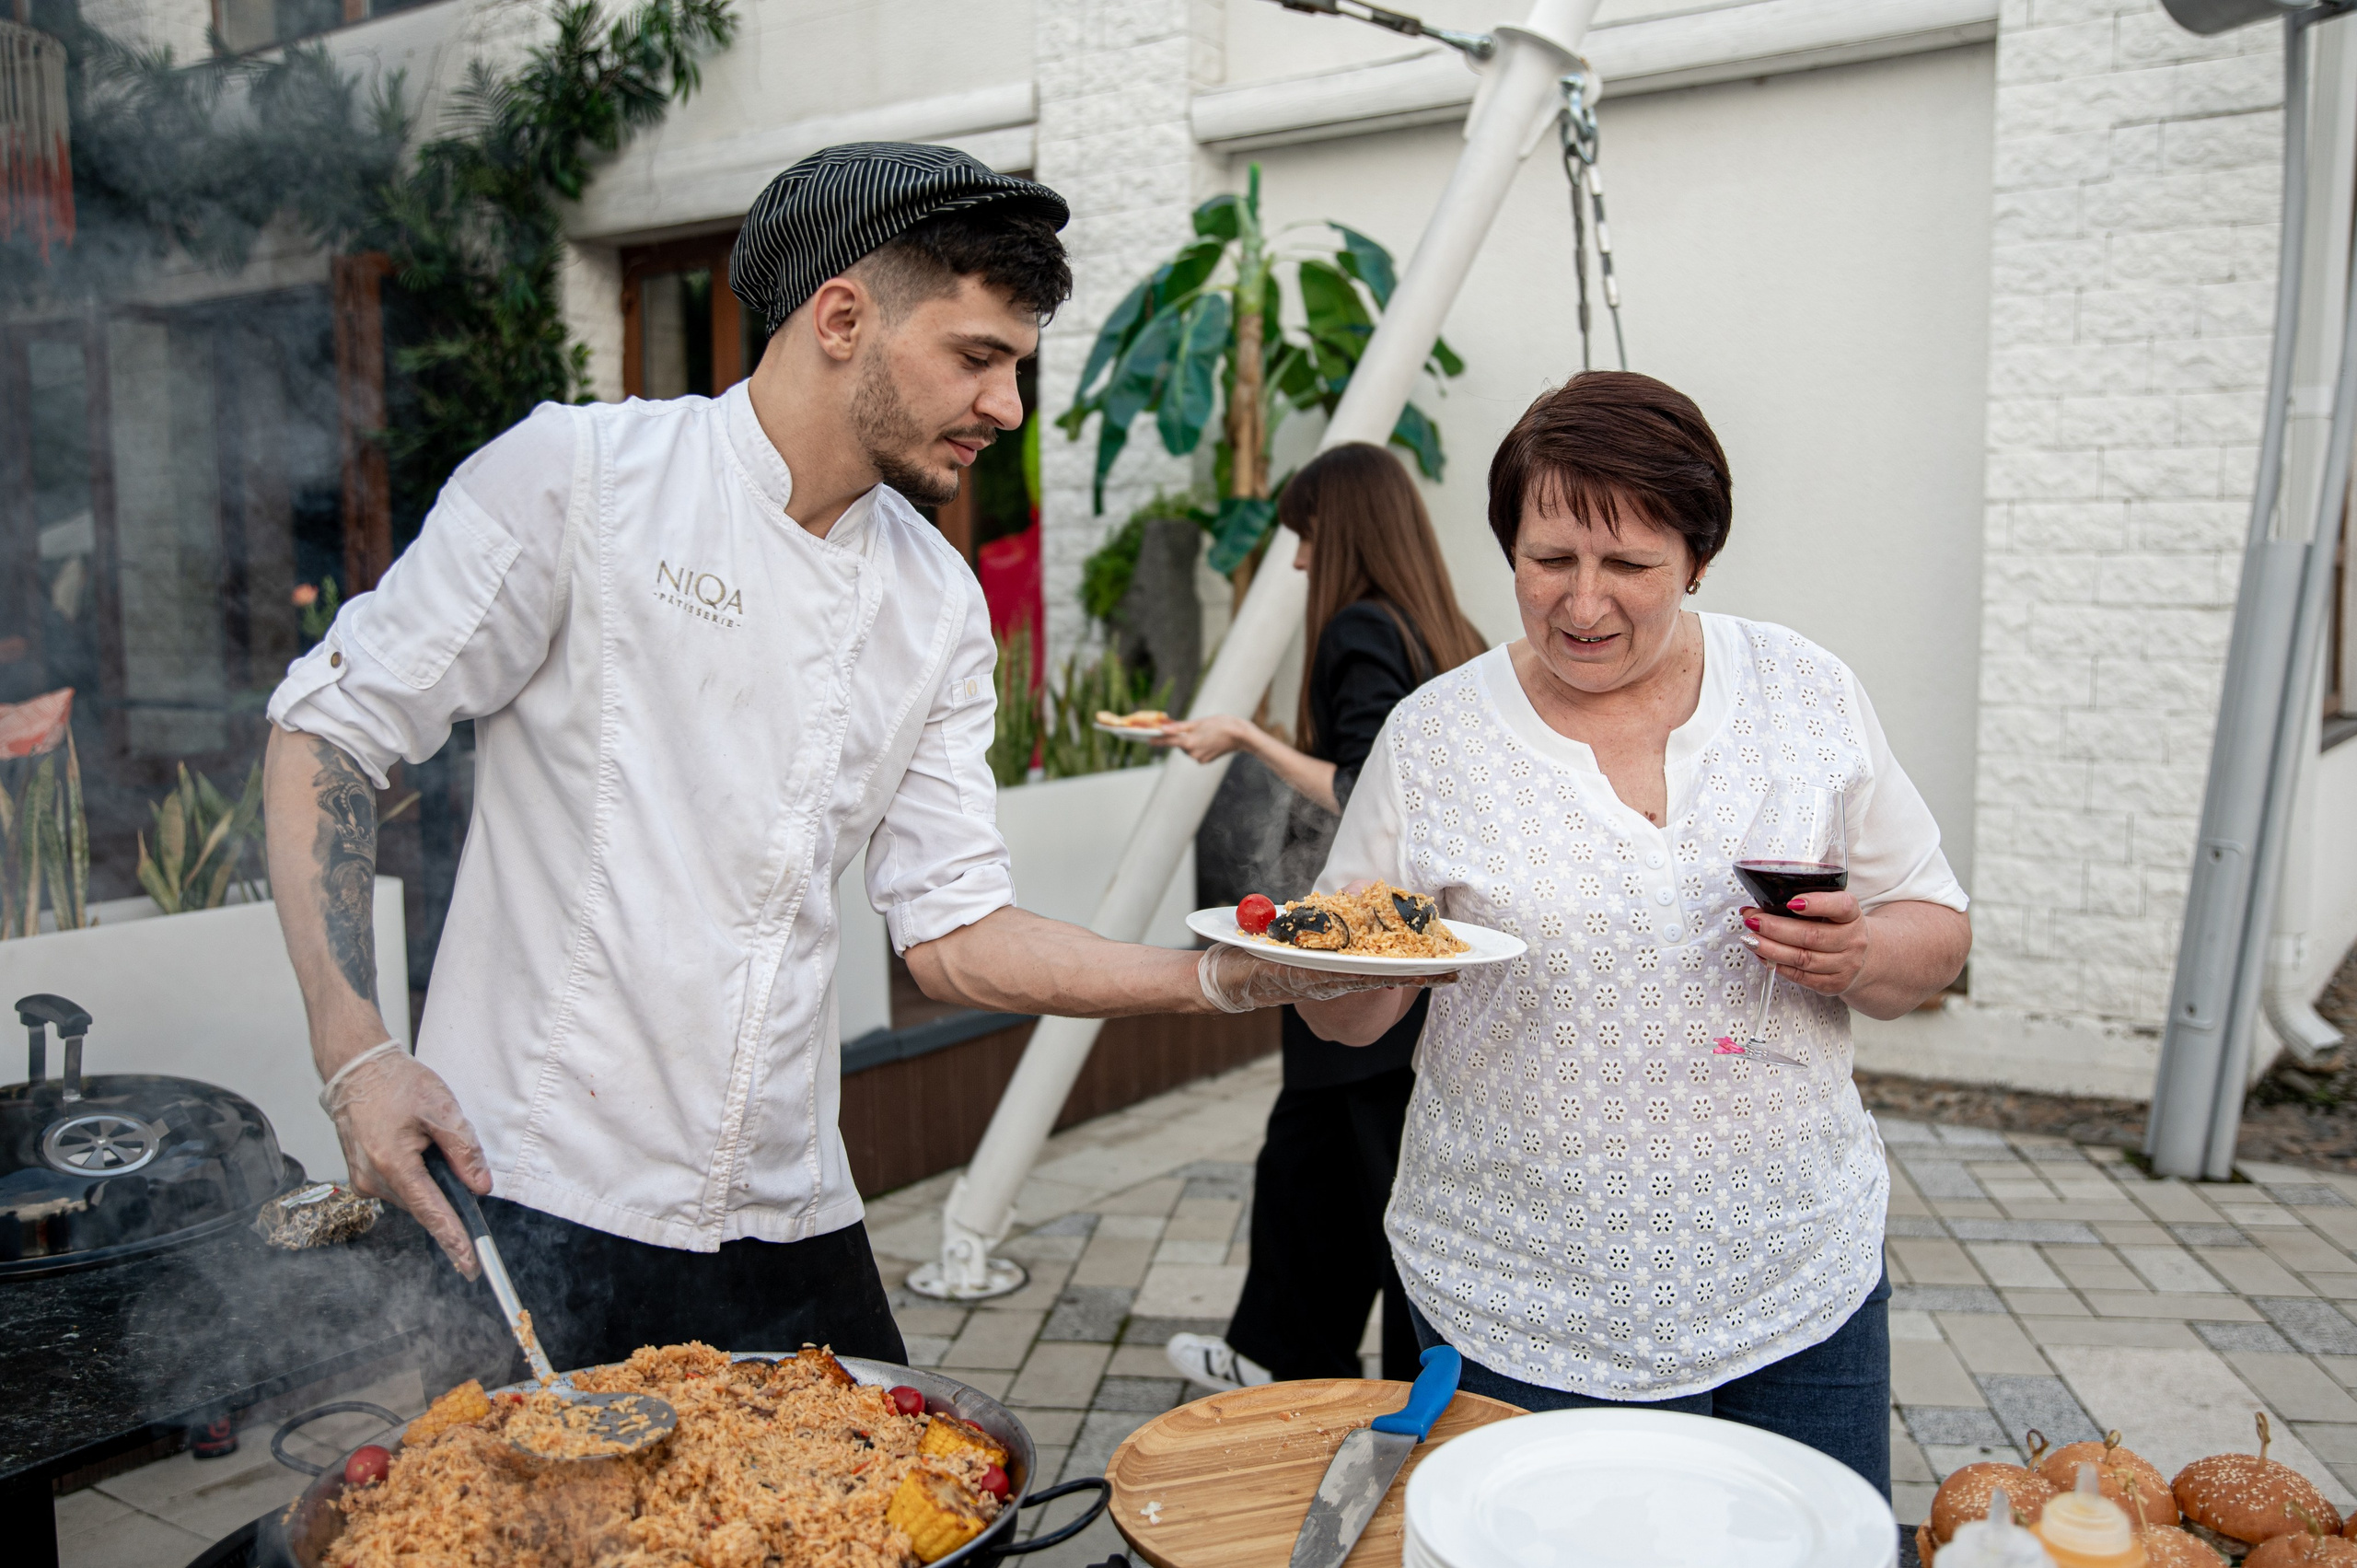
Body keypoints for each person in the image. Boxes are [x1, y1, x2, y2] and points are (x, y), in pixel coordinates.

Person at [261, 143, 1405, 1373]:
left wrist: (1224, 978)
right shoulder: (582, 481)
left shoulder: (936, 601)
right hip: (537, 1184)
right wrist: (357, 1051)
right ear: (843, 317)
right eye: (977, 357)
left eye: (1018, 366)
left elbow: (954, 929)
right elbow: (331, 726)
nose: (1008, 408)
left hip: (791, 1202)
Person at [1297, 372, 1972, 1495]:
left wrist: (1860, 954)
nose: (1582, 603)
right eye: (1548, 560)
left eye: (1629, 566)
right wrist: (1340, 968)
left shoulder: (1806, 692)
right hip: (1518, 1299)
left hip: (1796, 1281)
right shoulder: (1433, 740)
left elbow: (1934, 930)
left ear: (1697, 558)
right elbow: (1347, 1010)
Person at [1150, 444, 1488, 1390]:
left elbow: (1362, 786)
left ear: (1335, 530)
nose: (1296, 558)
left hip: (1366, 956)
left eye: (1302, 534)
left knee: (1341, 1173)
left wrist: (1247, 734)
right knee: (1330, 1167)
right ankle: (1293, 1359)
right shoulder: (1447, 630)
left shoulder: (1358, 629)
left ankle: (1344, 1375)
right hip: (1421, 944)